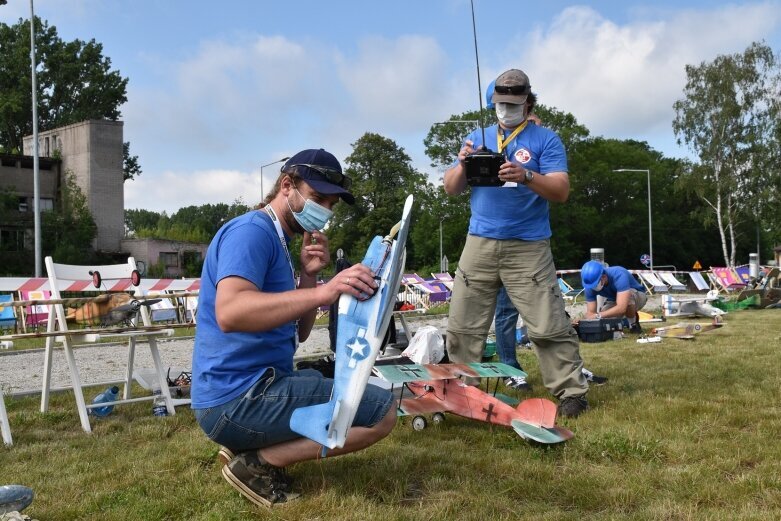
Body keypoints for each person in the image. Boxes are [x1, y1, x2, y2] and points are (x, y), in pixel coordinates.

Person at [191, 149, 396, 508]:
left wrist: (310, 276)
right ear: (287, 185)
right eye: (318, 198)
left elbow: (297, 333)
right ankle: (258, 462)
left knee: (347, 395)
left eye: (331, 204)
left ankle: (251, 444)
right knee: (382, 412)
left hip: (250, 390)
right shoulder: (252, 232)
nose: (326, 212)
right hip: (240, 397)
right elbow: (231, 311)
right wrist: (327, 290)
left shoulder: (280, 240)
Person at [443, 68, 589, 418]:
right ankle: (463, 389)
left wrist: (526, 175)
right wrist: (463, 164)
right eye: (499, 102)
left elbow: (561, 191)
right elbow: (451, 188)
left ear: (527, 102)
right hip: (479, 241)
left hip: (529, 246)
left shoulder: (546, 140)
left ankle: (571, 391)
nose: (505, 109)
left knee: (547, 323)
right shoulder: (476, 135)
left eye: (512, 103)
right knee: (464, 321)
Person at [494, 287, 608, 390]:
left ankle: (571, 367)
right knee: (507, 311)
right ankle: (509, 370)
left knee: (554, 309)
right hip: (506, 267)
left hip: (537, 265)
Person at [580, 261, 648, 333]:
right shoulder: (589, 285)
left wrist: (598, 316)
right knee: (604, 317)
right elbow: (591, 312)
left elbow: (621, 308)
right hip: (614, 300)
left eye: (595, 284)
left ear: (604, 277)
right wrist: (585, 320)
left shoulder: (619, 275)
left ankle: (633, 324)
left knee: (628, 300)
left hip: (638, 296)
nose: (593, 287)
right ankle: (622, 323)